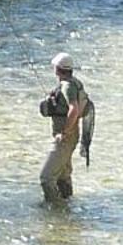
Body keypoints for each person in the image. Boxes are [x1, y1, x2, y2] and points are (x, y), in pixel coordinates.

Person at [39, 52, 94, 204]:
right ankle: (68, 205)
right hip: (72, 135)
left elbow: (74, 109)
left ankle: (56, 211)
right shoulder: (75, 83)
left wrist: (63, 132)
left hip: (65, 137)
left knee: (46, 178)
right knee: (63, 176)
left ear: (57, 69)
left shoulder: (67, 87)